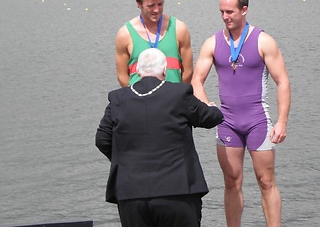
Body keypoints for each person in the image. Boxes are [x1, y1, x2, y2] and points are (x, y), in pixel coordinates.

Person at [191, 0, 291, 227]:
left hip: (258, 120)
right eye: (222, 12)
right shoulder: (213, 42)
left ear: (244, 10)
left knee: (266, 181)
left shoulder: (263, 41)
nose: (225, 16)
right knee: (231, 182)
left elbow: (283, 81)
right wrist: (206, 104)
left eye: (230, 11)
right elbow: (196, 80)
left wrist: (282, 121)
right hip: (227, 122)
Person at [96, 48, 224, 227]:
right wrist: (212, 107)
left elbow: (102, 139)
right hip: (177, 190)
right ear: (165, 70)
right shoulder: (179, 93)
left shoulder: (118, 99)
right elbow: (211, 118)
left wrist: (125, 161)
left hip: (131, 194)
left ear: (137, 70)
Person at [115, 0, 193, 87]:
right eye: (151, 6)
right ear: (139, 4)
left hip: (172, 101)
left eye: (160, 4)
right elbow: (122, 76)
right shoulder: (124, 34)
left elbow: (188, 71)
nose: (156, 10)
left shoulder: (179, 29)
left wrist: (179, 96)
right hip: (140, 101)